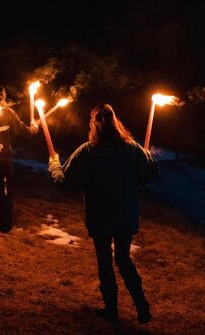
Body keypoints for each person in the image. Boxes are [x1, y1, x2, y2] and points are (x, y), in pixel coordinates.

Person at [48, 103, 158, 324]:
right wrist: (147, 156)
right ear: (115, 122)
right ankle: (142, 307)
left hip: (101, 215)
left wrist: (54, 163)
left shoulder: (88, 151)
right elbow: (150, 174)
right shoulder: (132, 148)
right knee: (123, 258)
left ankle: (111, 309)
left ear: (94, 125)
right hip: (125, 215)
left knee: (105, 261)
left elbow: (67, 182)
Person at [0, 86, 38, 233]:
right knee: (5, 190)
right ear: (3, 97)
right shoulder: (7, 111)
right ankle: (5, 225)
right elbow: (21, 130)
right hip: (3, 159)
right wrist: (34, 128)